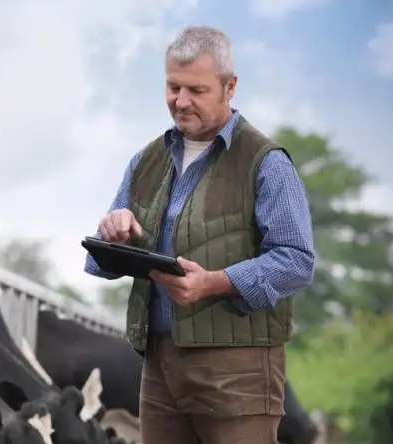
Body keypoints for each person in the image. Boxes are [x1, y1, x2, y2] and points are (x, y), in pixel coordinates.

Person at [83, 26, 315, 444]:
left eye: (197, 89)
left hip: (239, 375)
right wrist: (113, 234)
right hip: (158, 370)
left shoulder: (267, 163)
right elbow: (105, 256)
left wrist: (214, 282)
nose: (181, 101)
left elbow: (296, 259)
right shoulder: (145, 161)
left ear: (230, 87)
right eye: (173, 86)